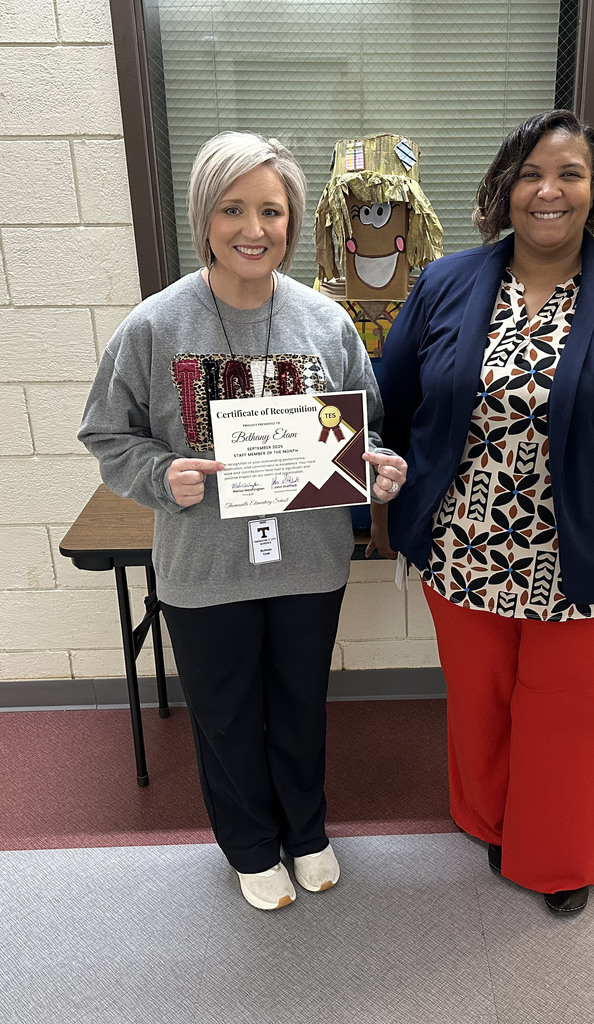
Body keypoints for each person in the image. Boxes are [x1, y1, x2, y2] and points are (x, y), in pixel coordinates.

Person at [371, 110, 594, 915]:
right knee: (484, 709)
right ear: (504, 187)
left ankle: (559, 859)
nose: (548, 190)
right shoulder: (445, 283)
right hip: (464, 558)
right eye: (531, 173)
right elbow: (390, 402)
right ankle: (494, 821)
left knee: (575, 725)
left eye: (570, 173)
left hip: (593, 567)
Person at [79, 132, 406, 911]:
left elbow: (366, 431)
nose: (253, 229)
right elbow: (108, 435)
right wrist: (161, 474)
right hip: (205, 565)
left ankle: (305, 831)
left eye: (271, 210)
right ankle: (251, 846)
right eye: (233, 209)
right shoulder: (154, 327)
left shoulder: (325, 323)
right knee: (225, 717)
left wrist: (380, 470)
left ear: (292, 221)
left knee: (298, 707)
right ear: (205, 216)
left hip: (308, 563)